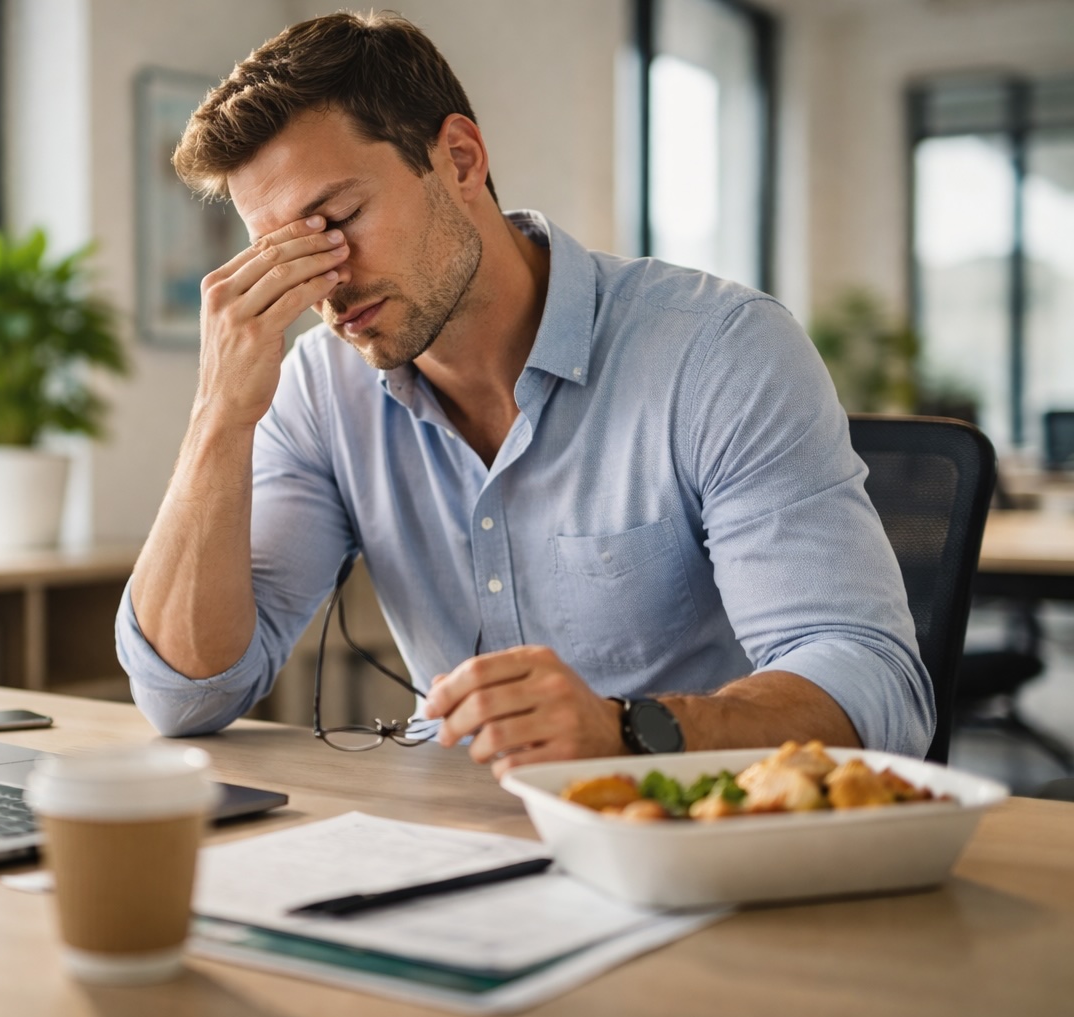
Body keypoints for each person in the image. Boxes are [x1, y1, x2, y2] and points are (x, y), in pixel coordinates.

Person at [114, 11, 932, 777]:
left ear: (460, 160)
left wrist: (624, 730)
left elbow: (872, 681)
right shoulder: (321, 391)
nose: (324, 285)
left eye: (339, 217)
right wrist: (219, 413)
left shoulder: (716, 351)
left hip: (691, 833)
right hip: (455, 845)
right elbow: (189, 694)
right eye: (284, 251)